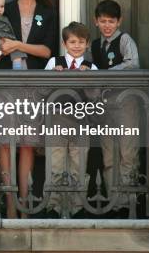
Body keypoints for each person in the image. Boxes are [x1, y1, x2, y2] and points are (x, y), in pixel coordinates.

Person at [0, 0, 56, 218]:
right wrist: (6, 45)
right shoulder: (6, 10)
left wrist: (17, 45)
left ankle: (25, 206)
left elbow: (47, 51)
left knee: (27, 144)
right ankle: (11, 206)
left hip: (34, 86)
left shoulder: (48, 12)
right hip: (6, 83)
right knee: (5, 143)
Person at [91, 0, 140, 208]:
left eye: (111, 21)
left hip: (125, 102)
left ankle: (129, 203)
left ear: (119, 22)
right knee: (109, 155)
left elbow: (133, 63)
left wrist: (106, 75)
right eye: (103, 21)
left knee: (127, 153)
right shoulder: (94, 45)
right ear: (96, 22)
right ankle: (114, 203)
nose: (107, 26)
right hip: (104, 104)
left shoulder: (125, 40)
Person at [44, 21, 97, 218]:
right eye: (72, 41)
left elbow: (95, 95)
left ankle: (77, 207)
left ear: (87, 44)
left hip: (81, 121)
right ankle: (54, 207)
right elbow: (42, 90)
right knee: (56, 164)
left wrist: (89, 78)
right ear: (65, 44)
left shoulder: (91, 66)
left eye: (81, 42)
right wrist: (52, 77)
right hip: (57, 120)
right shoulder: (53, 63)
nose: (76, 45)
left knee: (78, 165)